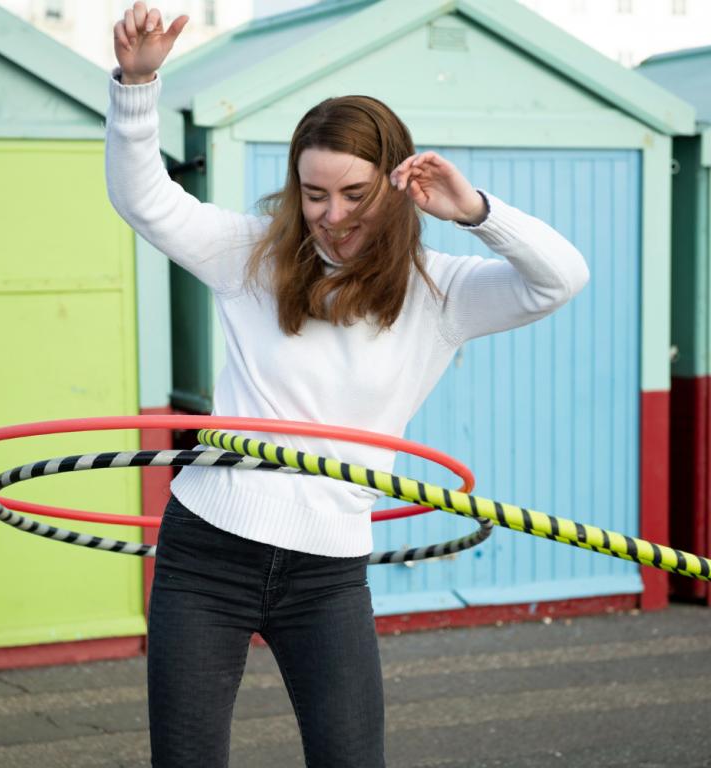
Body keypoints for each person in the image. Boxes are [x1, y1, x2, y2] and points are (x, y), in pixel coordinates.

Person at [106, 4, 590, 767]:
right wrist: (138, 87)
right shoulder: (249, 258)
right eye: (314, 193)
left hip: (327, 573)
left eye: (355, 194)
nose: (332, 216)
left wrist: (476, 213)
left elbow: (561, 279)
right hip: (208, 555)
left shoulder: (443, 293)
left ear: (398, 184)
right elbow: (145, 201)